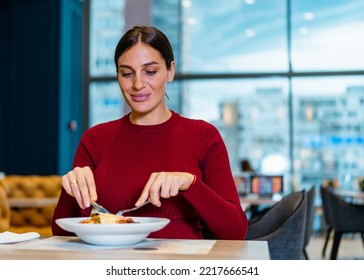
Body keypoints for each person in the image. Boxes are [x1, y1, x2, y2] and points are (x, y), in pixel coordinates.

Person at [52, 25, 248, 240]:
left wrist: (191, 184)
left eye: (151, 72)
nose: (137, 84)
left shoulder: (203, 136)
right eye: (126, 73)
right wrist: (71, 190)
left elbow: (236, 231)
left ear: (170, 71)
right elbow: (62, 233)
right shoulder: (95, 139)